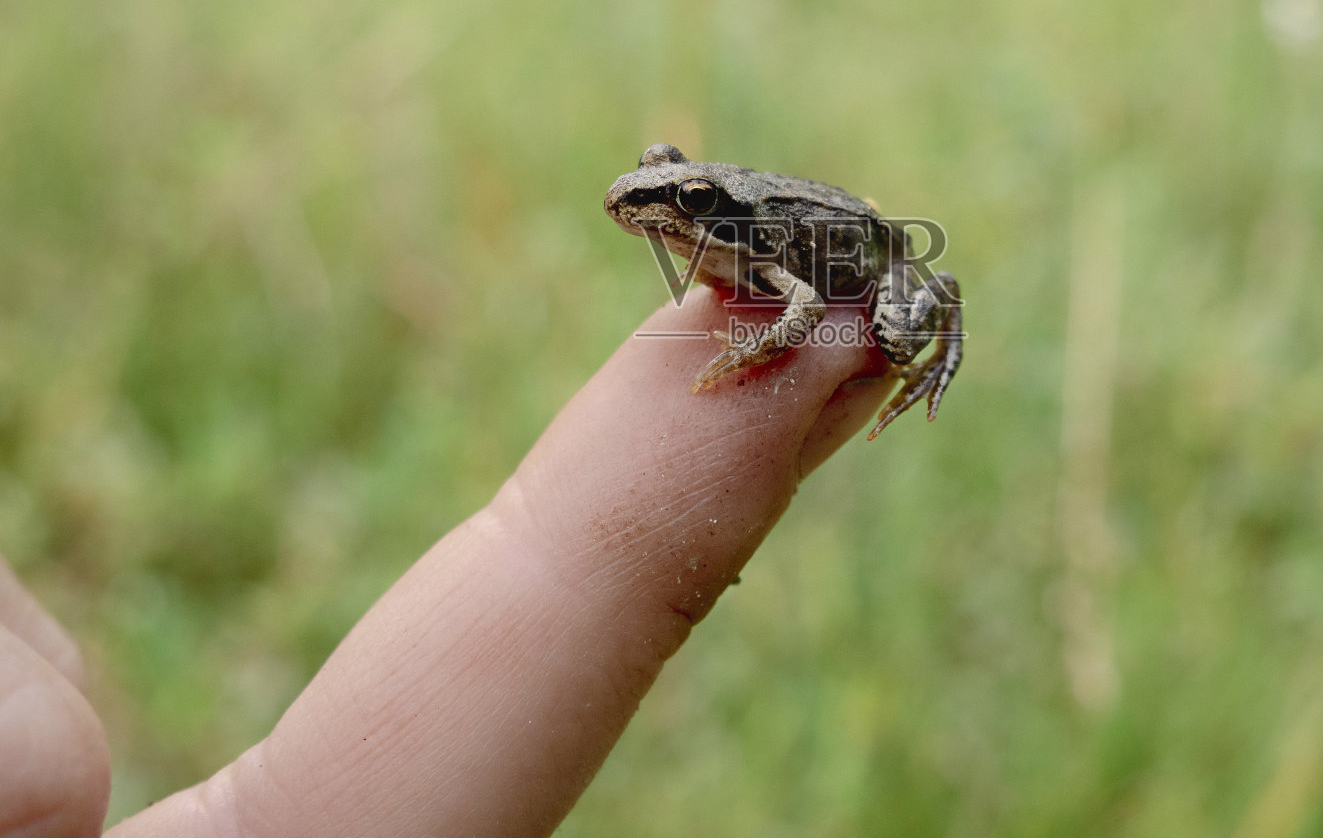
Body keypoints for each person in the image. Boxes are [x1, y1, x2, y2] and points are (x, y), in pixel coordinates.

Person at [2, 289, 894, 837]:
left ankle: (937, 352)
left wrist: (749, 354)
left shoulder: (773, 251)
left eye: (692, 201)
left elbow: (805, 311)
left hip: (855, 267)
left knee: (900, 316)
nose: (658, 207)